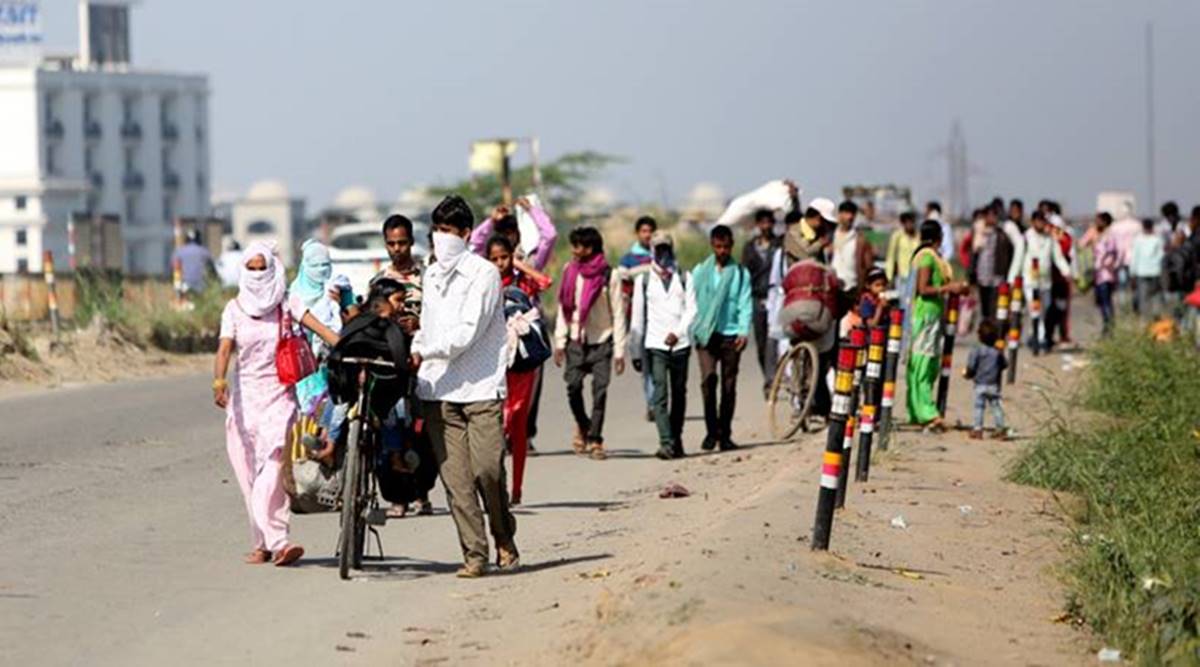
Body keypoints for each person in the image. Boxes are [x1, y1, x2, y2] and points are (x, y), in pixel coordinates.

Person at [212, 241, 340, 567]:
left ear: (272, 269)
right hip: (243, 406)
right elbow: (225, 348)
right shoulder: (234, 309)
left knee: (272, 474)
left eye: (262, 268)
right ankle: (262, 544)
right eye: (251, 268)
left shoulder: (287, 303)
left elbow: (320, 329)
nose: (257, 275)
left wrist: (350, 344)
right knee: (249, 481)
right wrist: (219, 380)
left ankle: (280, 542)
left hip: (280, 399)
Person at [412, 195, 517, 578]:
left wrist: (426, 350)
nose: (442, 238)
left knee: (487, 471)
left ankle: (503, 530)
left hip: (481, 388)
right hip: (439, 390)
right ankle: (475, 554)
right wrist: (416, 346)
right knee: (456, 482)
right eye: (437, 230)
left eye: (449, 231)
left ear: (466, 234)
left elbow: (466, 333)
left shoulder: (484, 274)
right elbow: (427, 323)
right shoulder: (431, 275)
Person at [486, 235, 551, 506]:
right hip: (494, 361)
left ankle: (517, 486)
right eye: (495, 258)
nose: (500, 263)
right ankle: (497, 484)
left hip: (522, 361)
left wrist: (519, 266)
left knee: (517, 423)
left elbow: (545, 282)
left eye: (504, 257)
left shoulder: (521, 281)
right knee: (498, 423)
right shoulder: (485, 284)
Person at [373, 214, 431, 516]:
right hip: (390, 364)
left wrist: (420, 324)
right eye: (392, 243)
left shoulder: (428, 278)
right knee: (390, 429)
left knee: (421, 431)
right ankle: (397, 496)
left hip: (425, 363)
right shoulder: (380, 281)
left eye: (403, 242)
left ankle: (421, 492)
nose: (397, 249)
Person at [554, 226, 627, 460]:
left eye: (579, 246)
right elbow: (564, 308)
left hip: (602, 339)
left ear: (591, 248)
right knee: (573, 386)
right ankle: (583, 424)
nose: (575, 251)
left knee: (600, 391)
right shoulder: (570, 271)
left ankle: (595, 439)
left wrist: (619, 351)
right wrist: (559, 341)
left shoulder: (609, 275)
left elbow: (618, 313)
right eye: (574, 245)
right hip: (576, 338)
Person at [630, 232, 696, 460]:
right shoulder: (644, 280)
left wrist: (677, 333)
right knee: (659, 394)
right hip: (655, 343)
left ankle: (676, 439)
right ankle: (666, 442)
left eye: (666, 248)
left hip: (681, 344)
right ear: (652, 251)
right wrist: (635, 351)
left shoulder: (685, 277)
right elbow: (637, 318)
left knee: (679, 394)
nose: (662, 254)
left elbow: (692, 310)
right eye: (658, 249)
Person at [691, 224, 753, 452]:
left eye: (726, 246)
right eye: (718, 246)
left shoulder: (740, 273)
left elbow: (745, 303)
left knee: (729, 386)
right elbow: (691, 300)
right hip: (706, 335)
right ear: (712, 245)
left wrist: (744, 331)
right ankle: (711, 432)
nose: (722, 251)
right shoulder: (700, 271)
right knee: (708, 382)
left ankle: (725, 435)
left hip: (731, 335)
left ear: (731, 246)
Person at [906, 221, 968, 432]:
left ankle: (919, 409)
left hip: (933, 315)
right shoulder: (926, 258)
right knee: (923, 362)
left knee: (928, 363)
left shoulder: (932, 257)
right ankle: (926, 412)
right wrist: (948, 287)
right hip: (925, 316)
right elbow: (923, 289)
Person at [618, 216, 659, 421]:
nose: (647, 235)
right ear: (638, 233)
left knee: (660, 363)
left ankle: (658, 401)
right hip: (639, 320)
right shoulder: (628, 260)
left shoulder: (661, 256)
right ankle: (653, 403)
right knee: (646, 365)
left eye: (650, 231)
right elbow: (623, 293)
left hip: (660, 319)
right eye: (643, 231)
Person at [742, 208, 781, 396]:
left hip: (776, 298)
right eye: (762, 222)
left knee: (774, 341)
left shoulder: (780, 245)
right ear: (758, 225)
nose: (766, 226)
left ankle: (771, 380)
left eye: (769, 222)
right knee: (761, 343)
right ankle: (768, 376)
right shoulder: (750, 248)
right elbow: (744, 275)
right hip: (757, 299)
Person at [1022, 211, 1072, 350]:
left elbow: (1058, 258)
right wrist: (1013, 278)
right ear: (1032, 222)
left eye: (1042, 221)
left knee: (1046, 310)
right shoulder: (1026, 237)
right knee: (1034, 310)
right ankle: (1038, 338)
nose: (1040, 224)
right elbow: (1018, 259)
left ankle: (1040, 336)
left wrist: (1067, 271)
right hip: (1030, 281)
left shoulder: (1050, 239)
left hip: (1045, 282)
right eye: (1038, 221)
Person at [469, 197, 558, 271]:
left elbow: (550, 235)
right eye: (495, 259)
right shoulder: (490, 261)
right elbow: (473, 245)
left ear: (518, 233)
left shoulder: (530, 260)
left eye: (508, 233)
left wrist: (530, 209)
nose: (500, 263)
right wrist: (491, 221)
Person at [964, 319, 1008, 440]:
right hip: (993, 384)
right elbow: (1004, 365)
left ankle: (977, 429)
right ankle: (1000, 428)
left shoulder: (976, 350)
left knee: (979, 407)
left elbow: (971, 366)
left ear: (979, 336)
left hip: (980, 384)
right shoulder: (997, 352)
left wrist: (968, 374)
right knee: (996, 406)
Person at [970, 205, 1014, 323]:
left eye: (995, 215)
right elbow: (973, 254)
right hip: (982, 274)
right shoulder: (979, 232)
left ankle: (994, 328)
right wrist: (971, 273)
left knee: (995, 304)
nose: (993, 218)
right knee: (985, 305)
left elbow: (1009, 252)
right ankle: (986, 328)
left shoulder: (1001, 234)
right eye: (990, 215)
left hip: (997, 274)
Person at [831, 200, 874, 314]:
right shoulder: (830, 236)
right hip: (832, 288)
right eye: (846, 213)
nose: (849, 217)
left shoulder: (860, 239)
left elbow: (868, 266)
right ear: (839, 214)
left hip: (852, 289)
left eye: (852, 214)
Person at [1131, 217, 1166, 320]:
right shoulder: (1158, 239)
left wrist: (1132, 274)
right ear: (1152, 227)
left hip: (1142, 273)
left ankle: (1144, 321)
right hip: (1155, 272)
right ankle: (1156, 319)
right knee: (1156, 297)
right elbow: (1161, 256)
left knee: (1143, 298)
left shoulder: (1138, 240)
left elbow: (1134, 257)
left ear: (1143, 227)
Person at [1091, 212, 1120, 335]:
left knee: (1106, 302)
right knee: (1102, 303)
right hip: (1098, 275)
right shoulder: (1100, 235)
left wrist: (1105, 264)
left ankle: (1109, 328)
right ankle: (1106, 326)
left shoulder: (1110, 236)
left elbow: (1113, 253)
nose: (1096, 223)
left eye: (1098, 221)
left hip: (1106, 275)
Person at [785, 197, 838, 263]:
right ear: (818, 218)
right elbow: (805, 254)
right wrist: (820, 243)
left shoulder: (818, 234)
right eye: (827, 222)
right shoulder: (794, 232)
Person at [172, 229, 214, 294]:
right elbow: (211, 269)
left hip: (183, 285)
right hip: (201, 286)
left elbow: (175, 268)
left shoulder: (179, 252)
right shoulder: (204, 252)